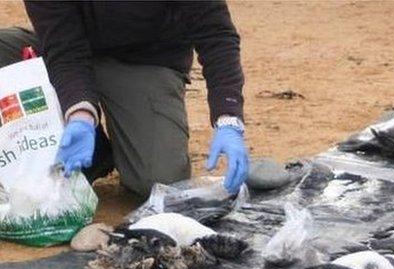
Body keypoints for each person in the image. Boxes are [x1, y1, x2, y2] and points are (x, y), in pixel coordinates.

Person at [0, 1, 249, 196]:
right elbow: (64, 50)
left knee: (159, 180)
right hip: (73, 52)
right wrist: (80, 116)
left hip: (146, 61)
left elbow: (217, 35)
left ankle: (112, 146)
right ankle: (94, 149)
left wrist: (228, 119)